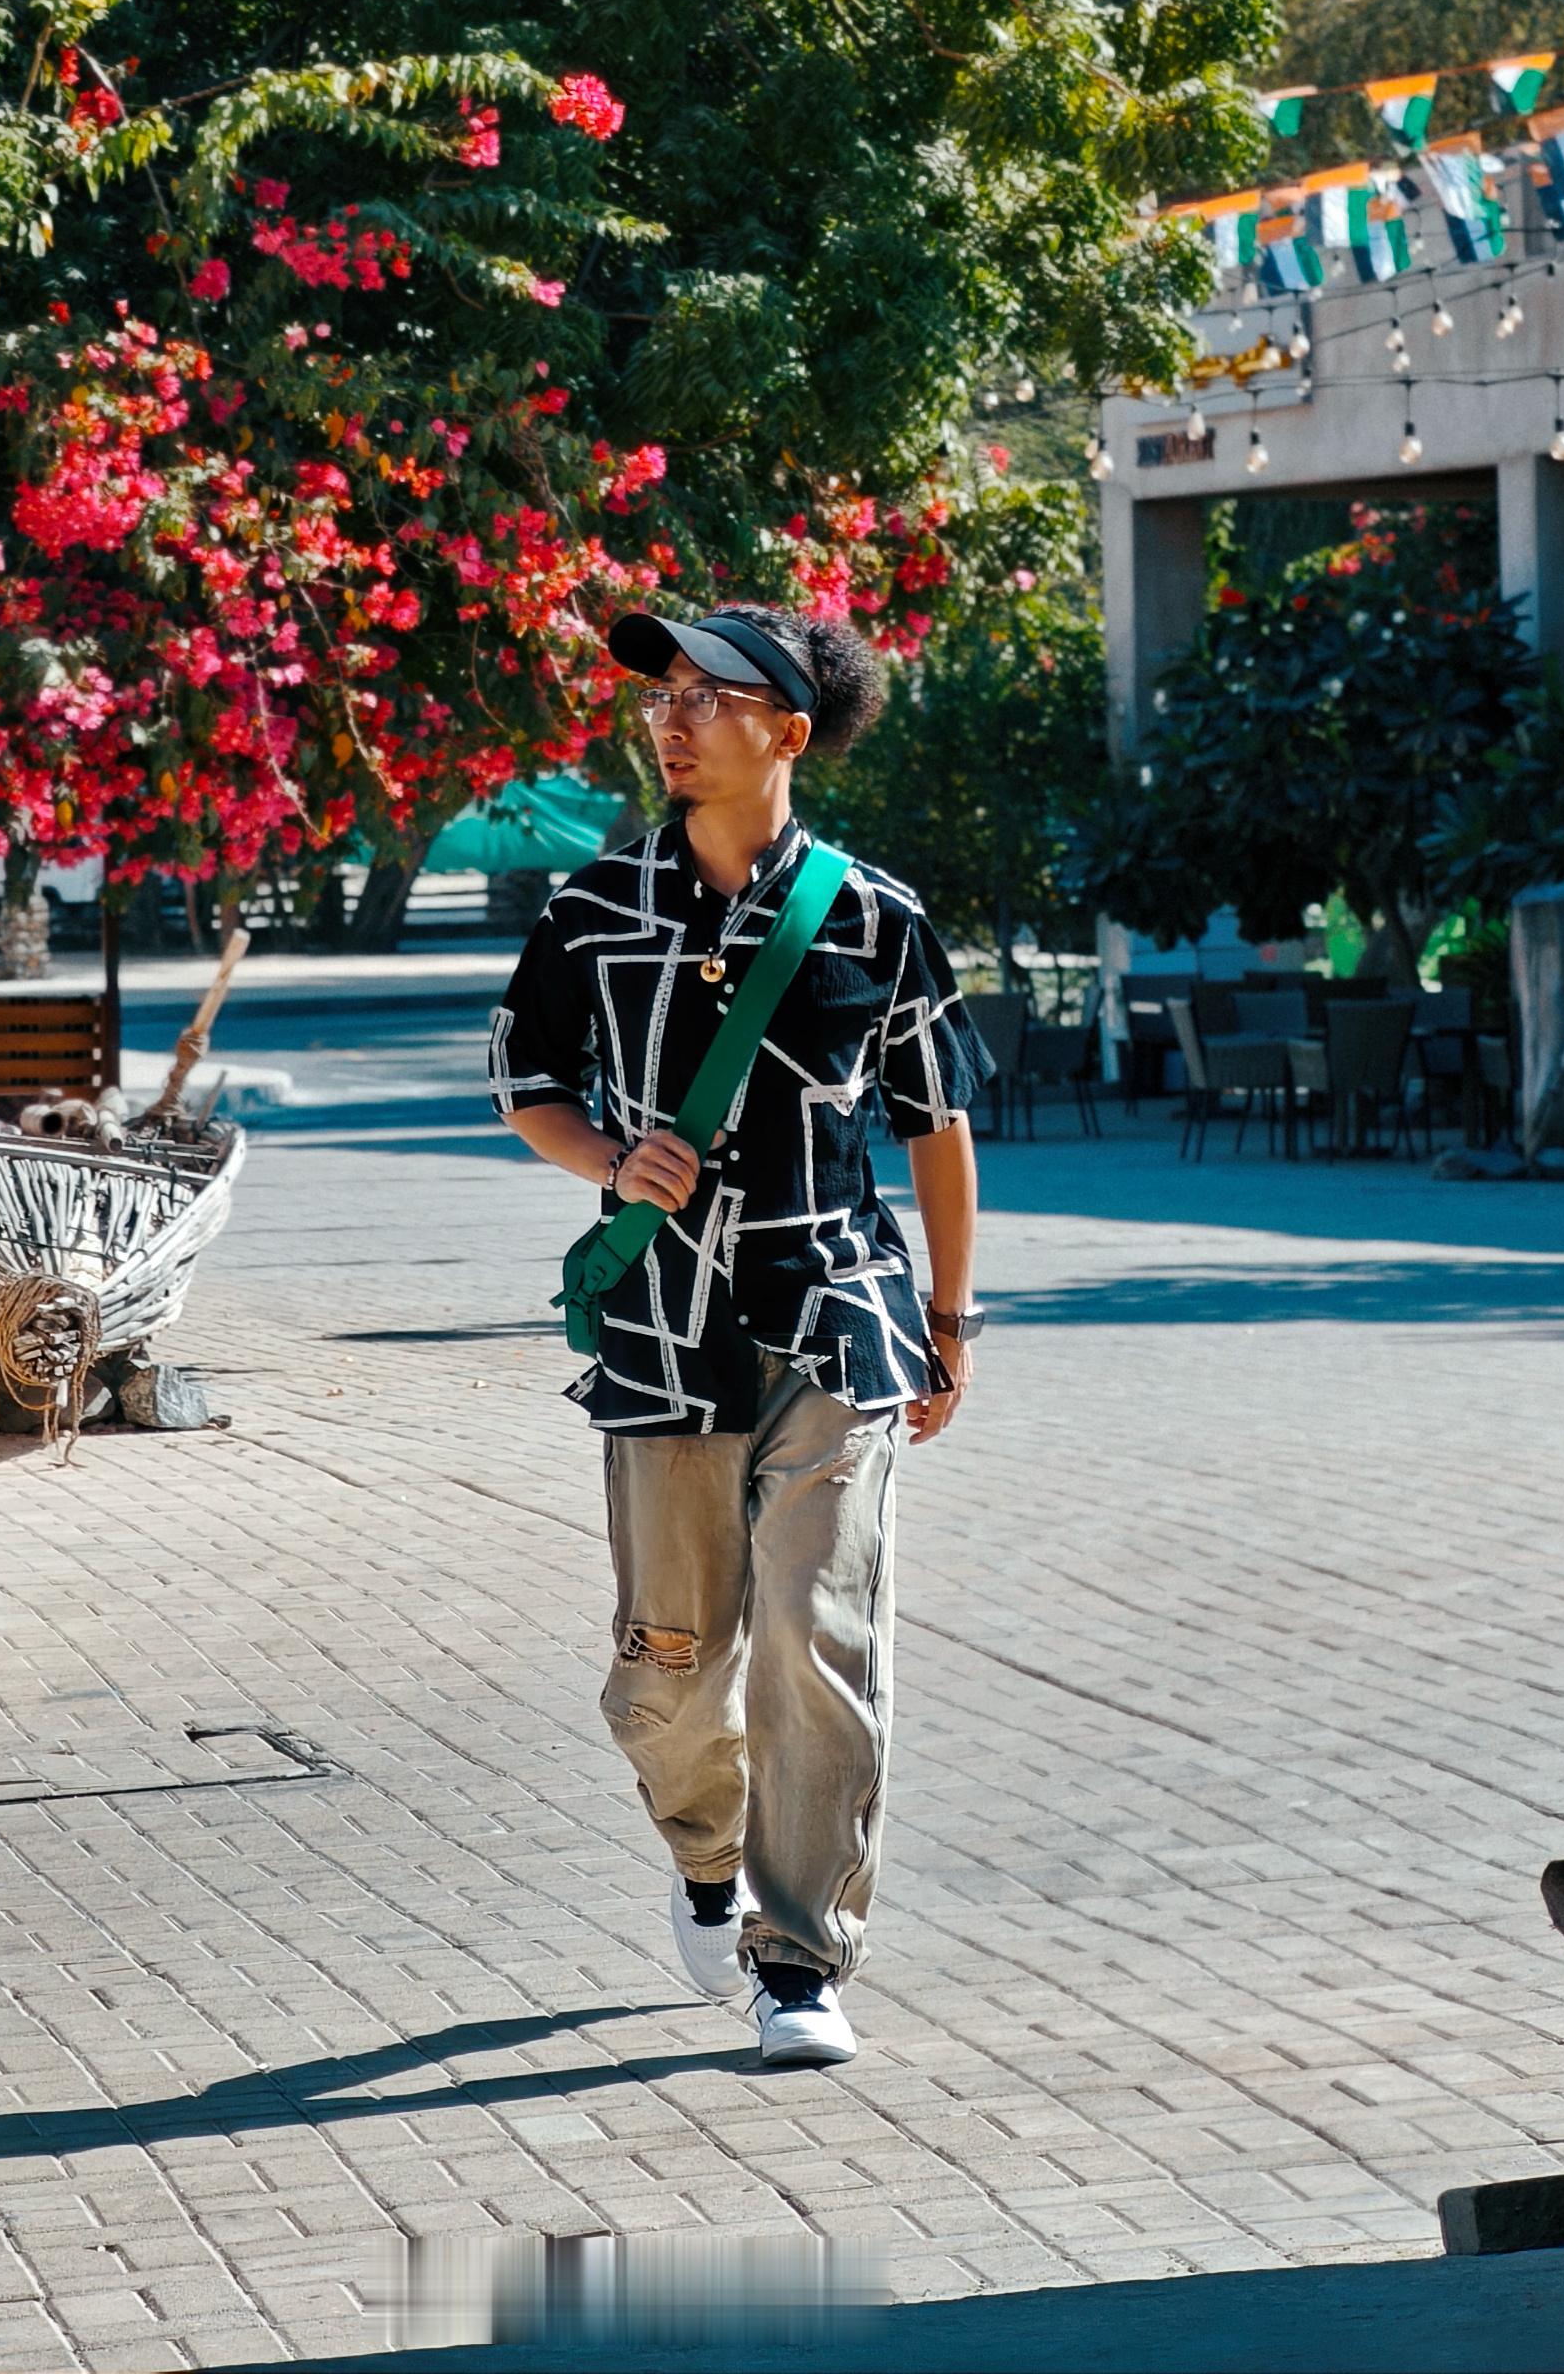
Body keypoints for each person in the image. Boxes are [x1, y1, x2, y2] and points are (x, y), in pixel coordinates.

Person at [491, 600, 984, 2071]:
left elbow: (937, 1125)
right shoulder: (590, 906)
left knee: (817, 1643)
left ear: (789, 728)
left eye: (708, 696)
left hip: (837, 1319)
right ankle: (705, 1858)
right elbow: (528, 1086)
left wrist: (951, 1319)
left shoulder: (876, 916)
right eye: (663, 695)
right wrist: (609, 1160)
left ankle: (799, 1956)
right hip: (660, 1332)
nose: (670, 716)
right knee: (669, 1666)